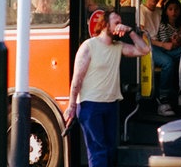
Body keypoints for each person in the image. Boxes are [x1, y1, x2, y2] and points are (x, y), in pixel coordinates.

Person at [63, 10, 150, 167]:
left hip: (111, 104)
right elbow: (77, 78)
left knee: (110, 150)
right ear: (105, 25)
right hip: (90, 105)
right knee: (98, 151)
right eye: (116, 22)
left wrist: (130, 31)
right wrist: (71, 105)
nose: (120, 25)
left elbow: (145, 50)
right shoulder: (89, 46)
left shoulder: (118, 46)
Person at [140, 0, 178, 116]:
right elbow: (143, 37)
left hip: (162, 45)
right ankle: (163, 100)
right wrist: (163, 44)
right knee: (168, 63)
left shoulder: (159, 11)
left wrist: (174, 37)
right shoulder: (141, 11)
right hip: (148, 48)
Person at [157, 0, 181, 106]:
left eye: (176, 9)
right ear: (166, 11)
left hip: (175, 48)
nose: (173, 12)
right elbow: (166, 43)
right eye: (170, 9)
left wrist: (180, 34)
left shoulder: (179, 23)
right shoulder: (163, 25)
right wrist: (178, 41)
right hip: (166, 50)